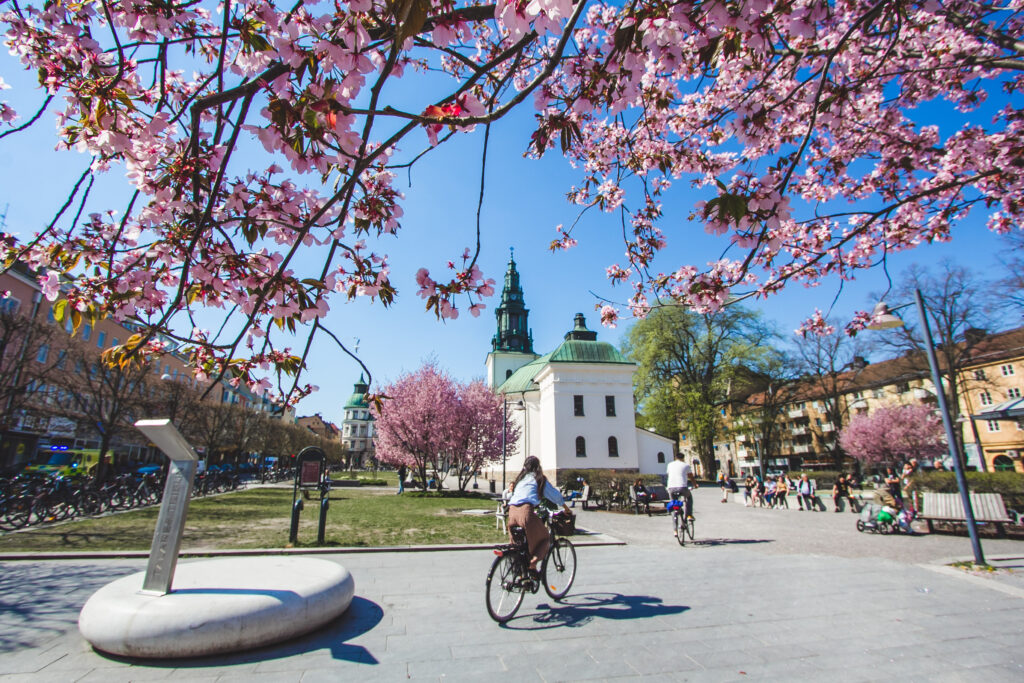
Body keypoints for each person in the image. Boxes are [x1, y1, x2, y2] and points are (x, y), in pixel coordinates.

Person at [506, 456, 572, 577]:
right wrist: (566, 509)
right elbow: (555, 496)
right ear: (538, 466)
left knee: (518, 546)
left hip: (511, 513)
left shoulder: (520, 479)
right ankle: (533, 563)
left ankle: (522, 575)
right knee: (545, 538)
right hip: (525, 513)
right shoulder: (538, 479)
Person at [666, 452, 694, 519]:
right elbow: (691, 476)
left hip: (671, 487)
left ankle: (676, 513)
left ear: (675, 458)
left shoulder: (670, 465)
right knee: (689, 498)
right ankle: (689, 515)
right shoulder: (686, 465)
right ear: (683, 458)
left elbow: (668, 474)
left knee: (673, 502)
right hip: (682, 487)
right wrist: (695, 485)